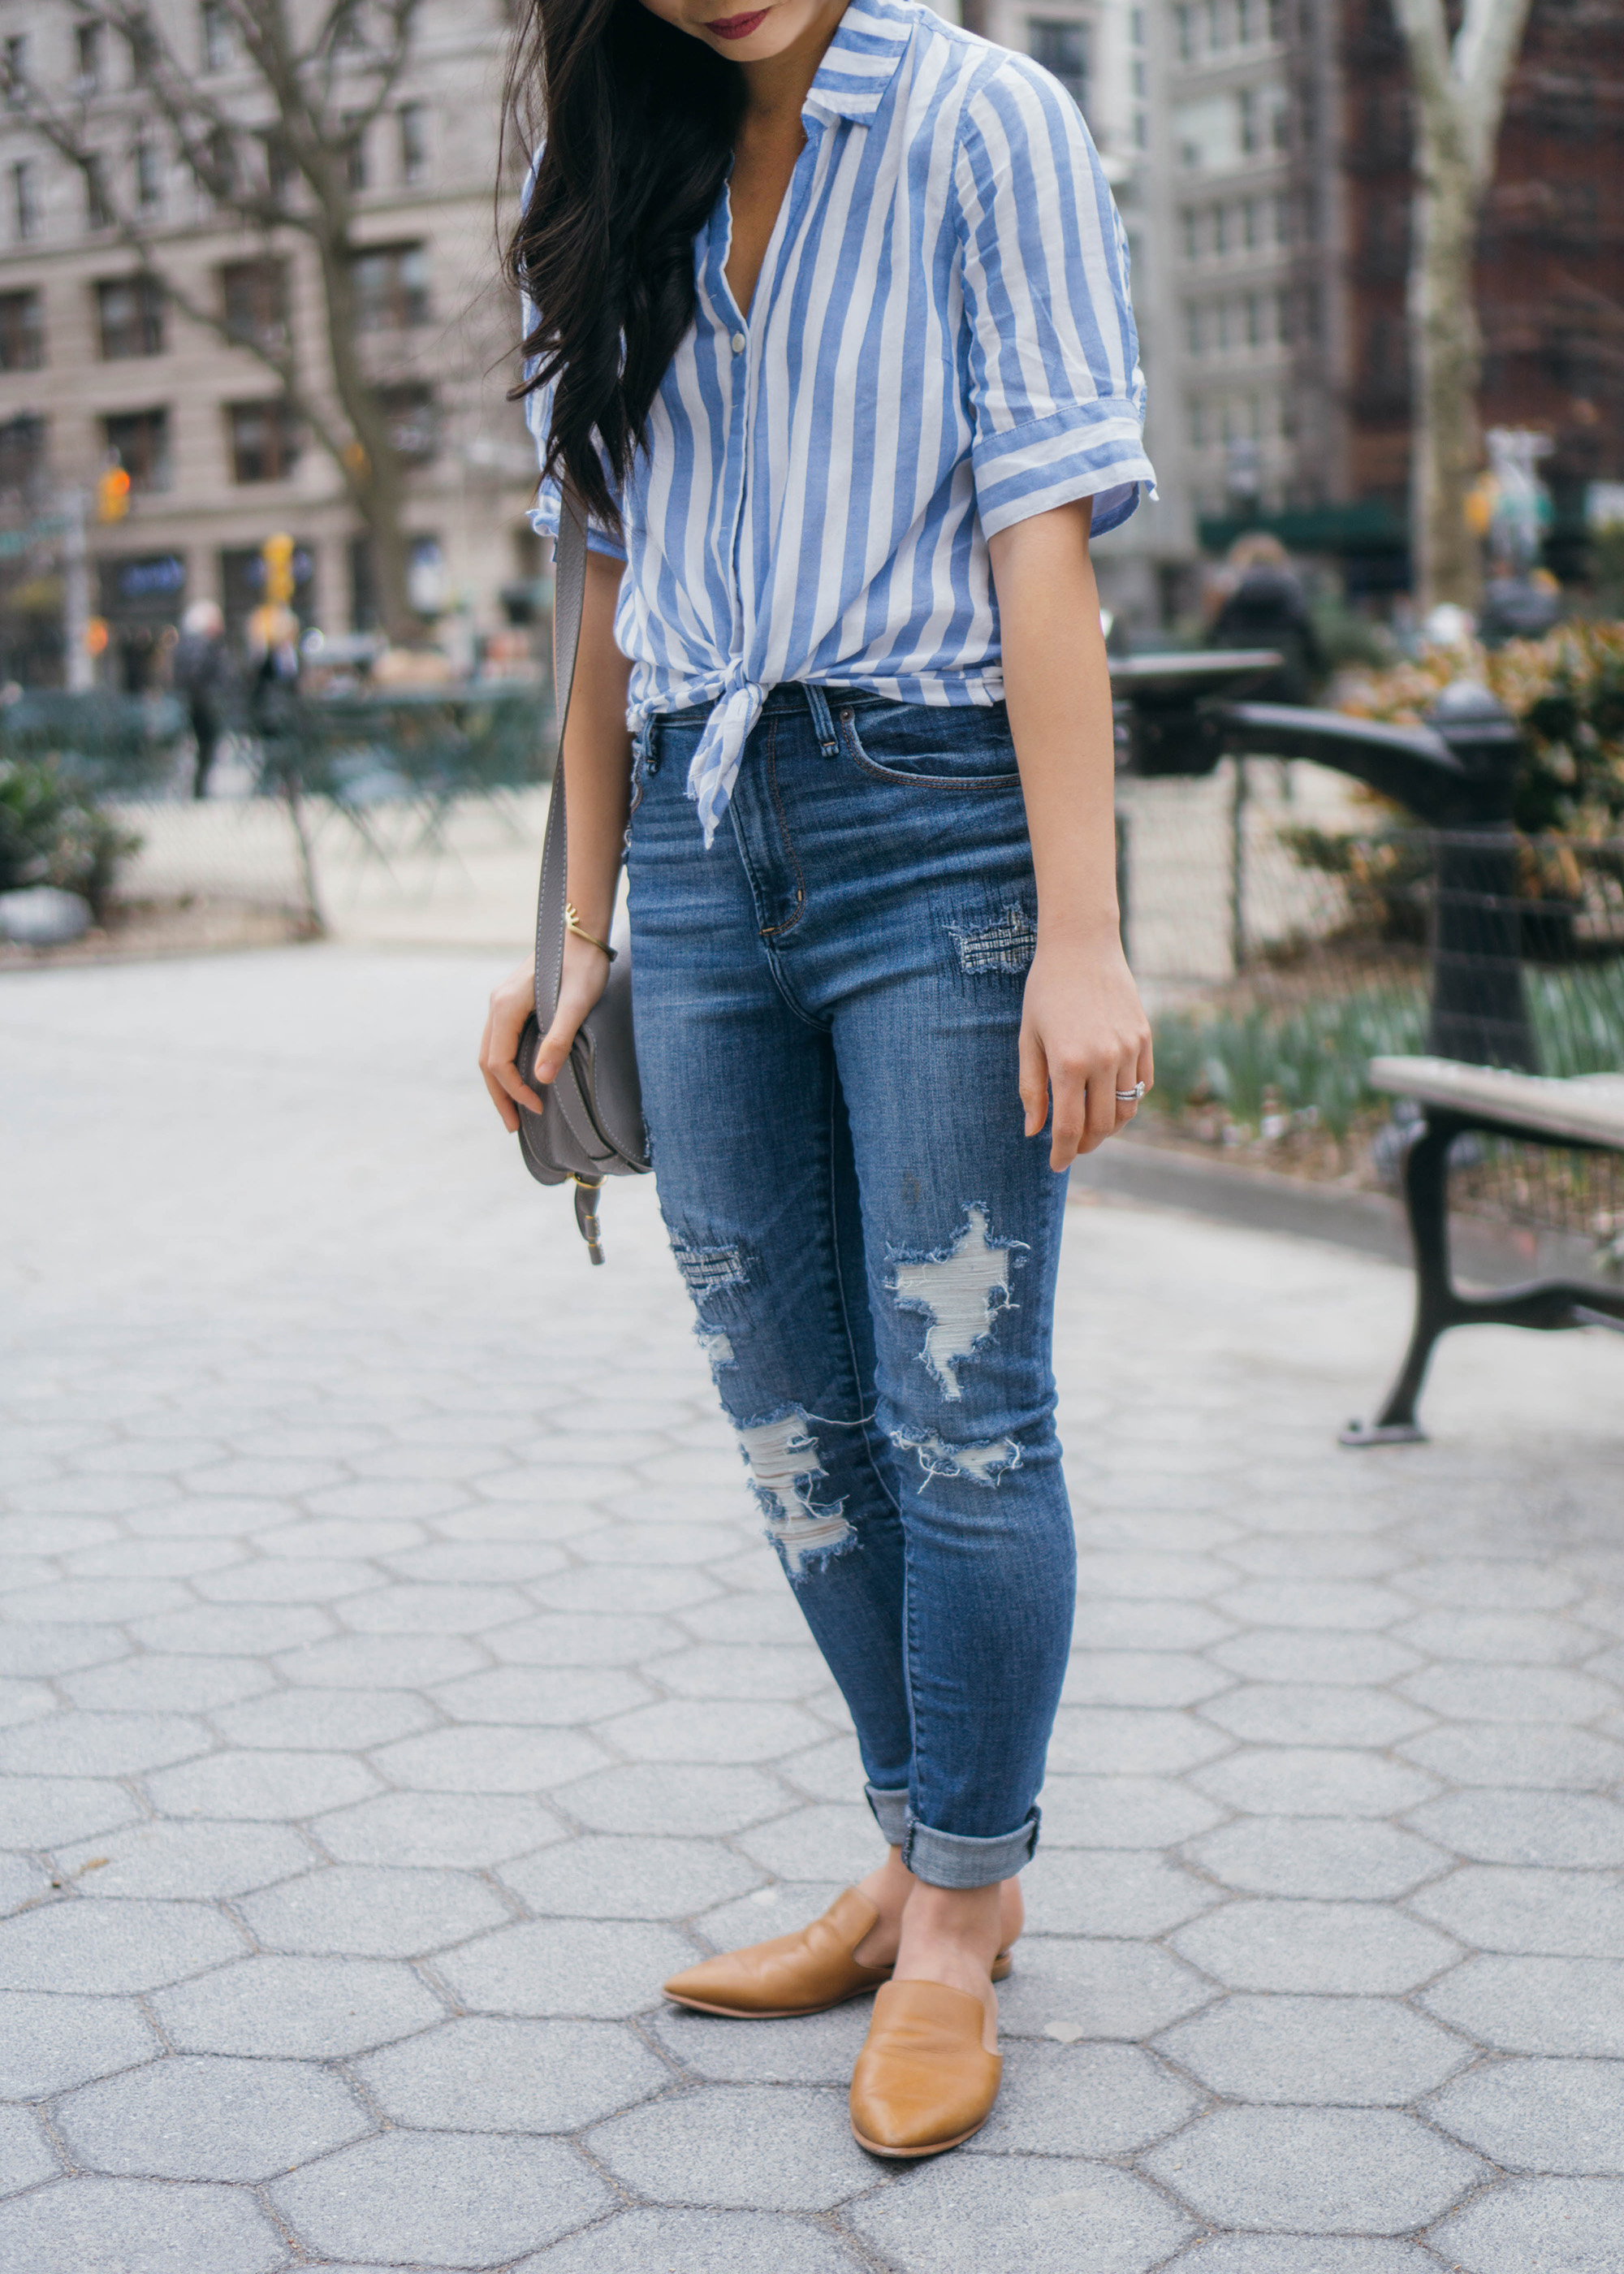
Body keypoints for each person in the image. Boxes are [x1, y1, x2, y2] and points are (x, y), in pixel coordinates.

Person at [480, 0, 1155, 2159]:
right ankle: (928, 1835)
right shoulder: (615, 164)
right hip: (692, 839)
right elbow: (599, 575)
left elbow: (1046, 545)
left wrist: (1086, 927)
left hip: (936, 822)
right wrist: (571, 927)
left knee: (962, 1401)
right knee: (789, 1414)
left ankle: (953, 1915)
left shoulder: (984, 123)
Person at [1208, 531, 1324, 707]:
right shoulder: (1291, 588)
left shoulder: (1230, 590)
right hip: (1287, 682)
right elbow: (1308, 636)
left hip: (1240, 685)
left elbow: (1214, 637)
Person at [171, 600, 236, 799]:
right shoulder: (201, 646)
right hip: (201, 706)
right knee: (204, 747)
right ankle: (198, 790)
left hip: (197, 705)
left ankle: (197, 790)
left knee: (202, 749)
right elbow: (199, 675)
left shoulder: (191, 644)